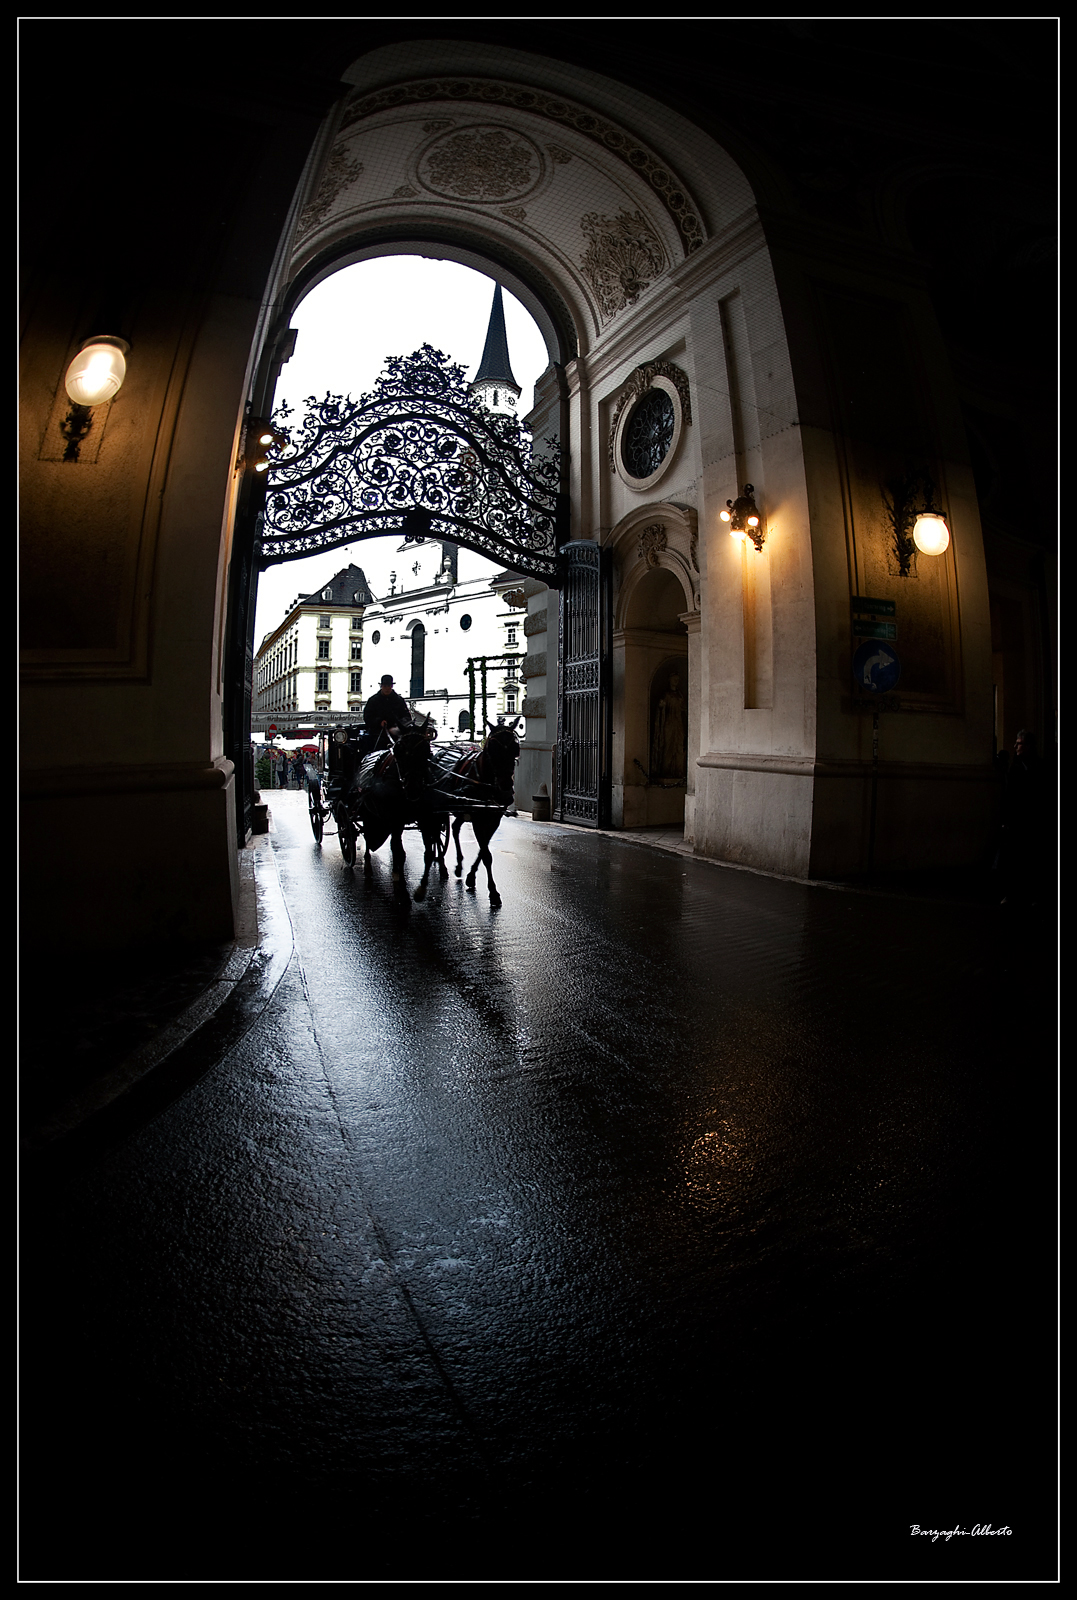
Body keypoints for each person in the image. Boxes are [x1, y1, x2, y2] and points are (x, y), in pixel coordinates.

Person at [996, 728, 1046, 907]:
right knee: (1015, 860)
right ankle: (1015, 894)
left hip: (1032, 821)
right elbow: (1008, 797)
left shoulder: (1038, 768)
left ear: (1029, 746)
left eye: (1020, 743)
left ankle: (1031, 895)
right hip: (1019, 822)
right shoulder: (1016, 768)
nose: (1016, 746)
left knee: (1031, 860)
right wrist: (1005, 821)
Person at [363, 675, 414, 740]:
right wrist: (379, 722)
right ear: (381, 686)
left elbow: (406, 716)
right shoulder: (373, 701)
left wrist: (398, 726)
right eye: (385, 686)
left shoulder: (399, 700)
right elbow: (367, 717)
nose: (387, 688)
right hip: (377, 734)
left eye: (389, 686)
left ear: (391, 686)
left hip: (397, 733)